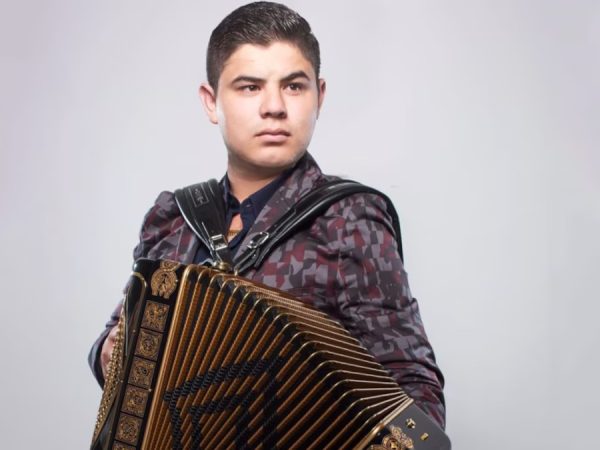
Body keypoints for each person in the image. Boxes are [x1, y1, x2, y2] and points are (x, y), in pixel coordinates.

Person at [88, 1, 446, 429]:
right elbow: (118, 338)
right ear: (211, 102)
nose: (274, 106)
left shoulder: (349, 219)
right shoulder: (172, 218)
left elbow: (413, 387)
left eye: (294, 86)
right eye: (249, 87)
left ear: (319, 96)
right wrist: (109, 351)